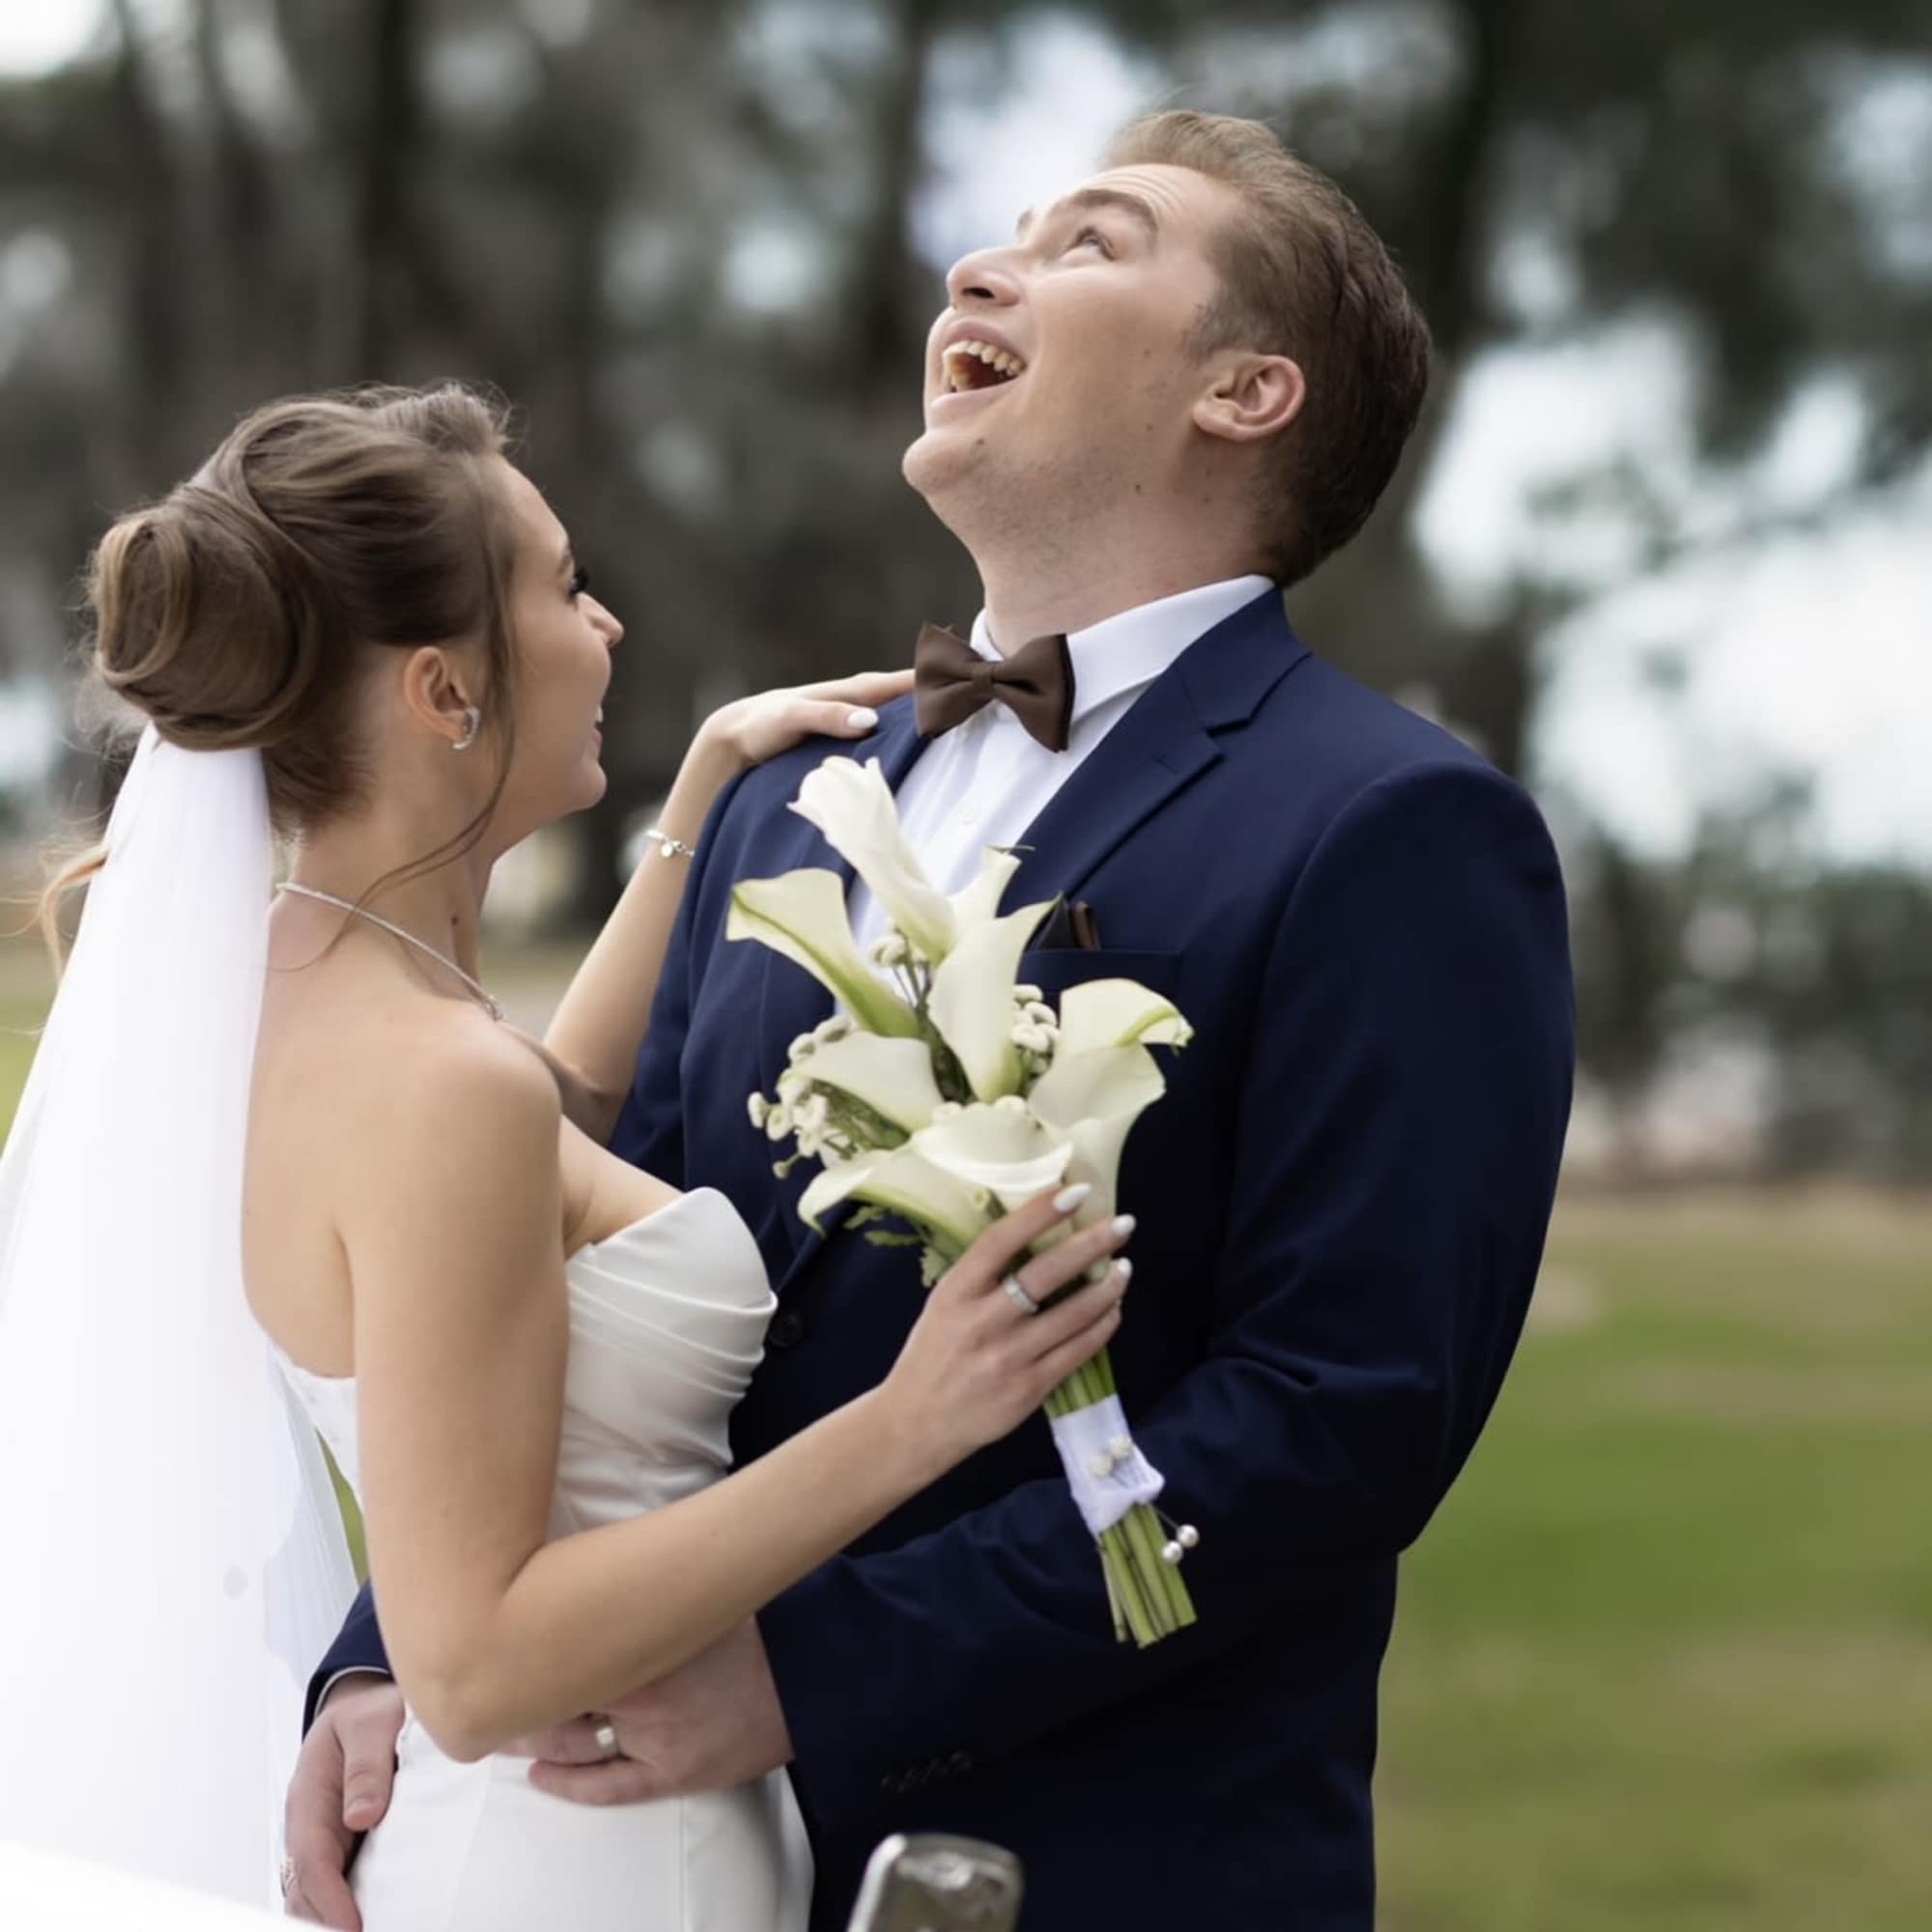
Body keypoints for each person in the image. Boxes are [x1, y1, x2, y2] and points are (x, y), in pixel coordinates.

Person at [292, 110, 1577, 1932]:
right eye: (1006, 238)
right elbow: (557, 1285)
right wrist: (392, 1655)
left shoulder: (1397, 834)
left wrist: (810, 1676)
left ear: (1247, 393)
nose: (983, 270)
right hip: (627, 1858)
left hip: (1093, 1866)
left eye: (1093, 246)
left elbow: (1336, 1424)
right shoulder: (774, 804)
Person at [0, 384, 1134, 1929]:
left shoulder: (300, 982)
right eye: (562, 587)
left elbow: (555, 1115)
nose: (604, 629)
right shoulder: (435, 1081)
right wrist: (915, 1419)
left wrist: (696, 800)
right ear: (443, 694)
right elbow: (471, 1671)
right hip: (579, 1861)